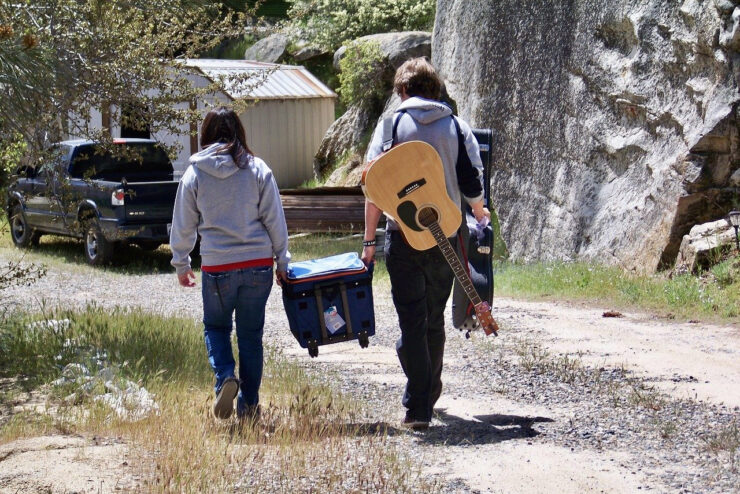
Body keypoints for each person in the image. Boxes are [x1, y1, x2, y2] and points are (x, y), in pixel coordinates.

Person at [361, 58, 490, 430]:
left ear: (402, 91)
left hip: (403, 239)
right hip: (445, 238)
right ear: (435, 90)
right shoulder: (456, 126)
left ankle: (419, 406)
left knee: (411, 324)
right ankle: (426, 394)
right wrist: (480, 215)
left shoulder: (390, 127)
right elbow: (471, 182)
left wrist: (369, 241)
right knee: (432, 320)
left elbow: (373, 188)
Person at [170, 106, 290, 421]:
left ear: (205, 135)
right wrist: (282, 259)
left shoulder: (195, 172)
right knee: (250, 335)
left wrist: (181, 263)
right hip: (257, 265)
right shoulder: (258, 169)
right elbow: (274, 218)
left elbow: (182, 223)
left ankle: (225, 376)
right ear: (239, 133)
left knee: (216, 327)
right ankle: (248, 407)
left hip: (217, 267)